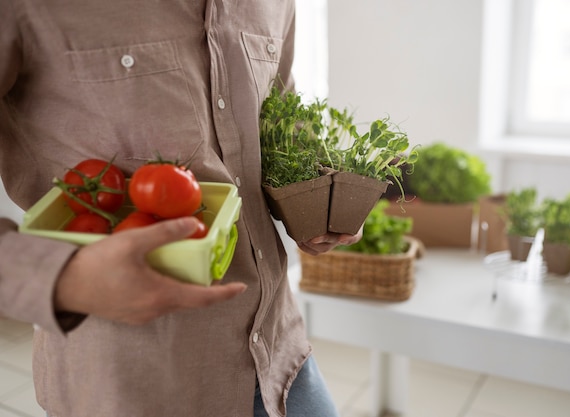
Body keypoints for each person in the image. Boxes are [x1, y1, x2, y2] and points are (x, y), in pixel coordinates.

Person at [0, 1, 361, 416]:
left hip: (280, 350)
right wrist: (63, 279)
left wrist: (317, 201)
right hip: (134, 377)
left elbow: (279, 114)